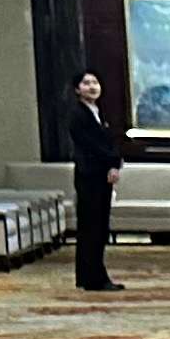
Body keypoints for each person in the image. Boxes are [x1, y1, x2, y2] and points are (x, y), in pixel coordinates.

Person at [50, 67, 122, 290]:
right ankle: (94, 278)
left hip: (102, 175)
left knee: (99, 227)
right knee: (91, 227)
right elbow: (93, 145)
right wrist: (112, 161)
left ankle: (90, 276)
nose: (92, 87)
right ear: (77, 89)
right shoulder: (77, 115)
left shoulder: (99, 112)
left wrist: (115, 164)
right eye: (86, 83)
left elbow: (110, 141)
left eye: (95, 83)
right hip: (90, 175)